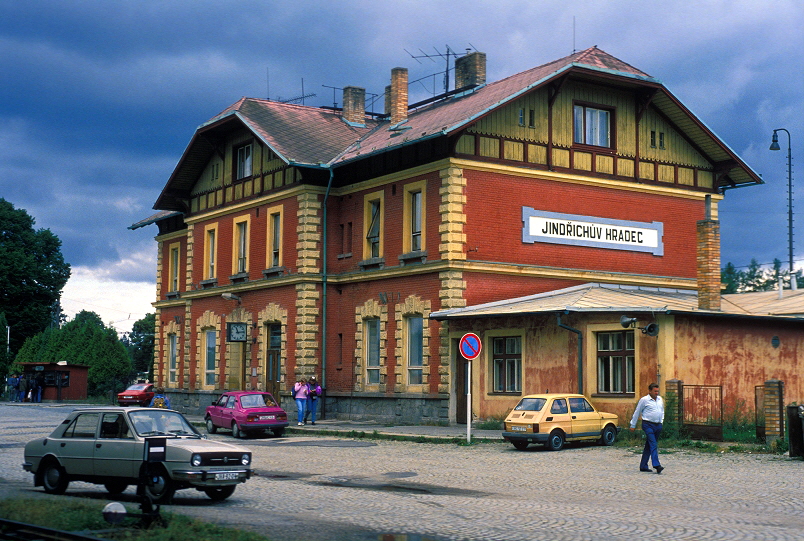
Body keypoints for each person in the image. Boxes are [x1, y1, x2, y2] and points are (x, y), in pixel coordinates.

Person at [630, 382, 665, 474]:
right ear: (650, 391)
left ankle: (643, 465)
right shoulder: (644, 400)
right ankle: (657, 465)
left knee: (649, 445)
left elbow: (662, 411)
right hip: (648, 424)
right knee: (653, 444)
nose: (656, 393)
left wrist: (661, 421)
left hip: (657, 425)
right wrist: (633, 425)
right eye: (655, 391)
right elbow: (637, 412)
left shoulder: (660, 399)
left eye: (657, 391)